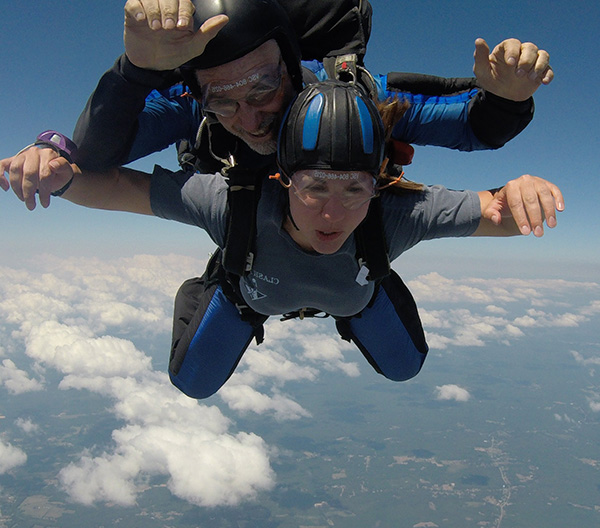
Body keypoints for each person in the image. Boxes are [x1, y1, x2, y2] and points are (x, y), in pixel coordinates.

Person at [0, 81, 564, 399]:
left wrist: (522, 191)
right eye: (315, 185)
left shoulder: (392, 215)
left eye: (355, 188)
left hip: (349, 289)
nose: (333, 209)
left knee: (405, 368)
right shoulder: (234, 204)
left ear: (379, 183)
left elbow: (497, 209)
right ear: (282, 178)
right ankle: (221, 283)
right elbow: (123, 187)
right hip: (250, 291)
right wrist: (60, 171)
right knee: (191, 382)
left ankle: (361, 291)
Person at [1, 0, 553, 208]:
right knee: (193, 375)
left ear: (293, 68)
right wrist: (134, 71)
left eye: (263, 88)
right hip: (248, 247)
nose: (248, 115)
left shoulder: (350, 99)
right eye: (222, 99)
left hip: (347, 244)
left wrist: (506, 97)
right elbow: (98, 154)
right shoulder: (196, 105)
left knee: (400, 359)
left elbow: (470, 127)